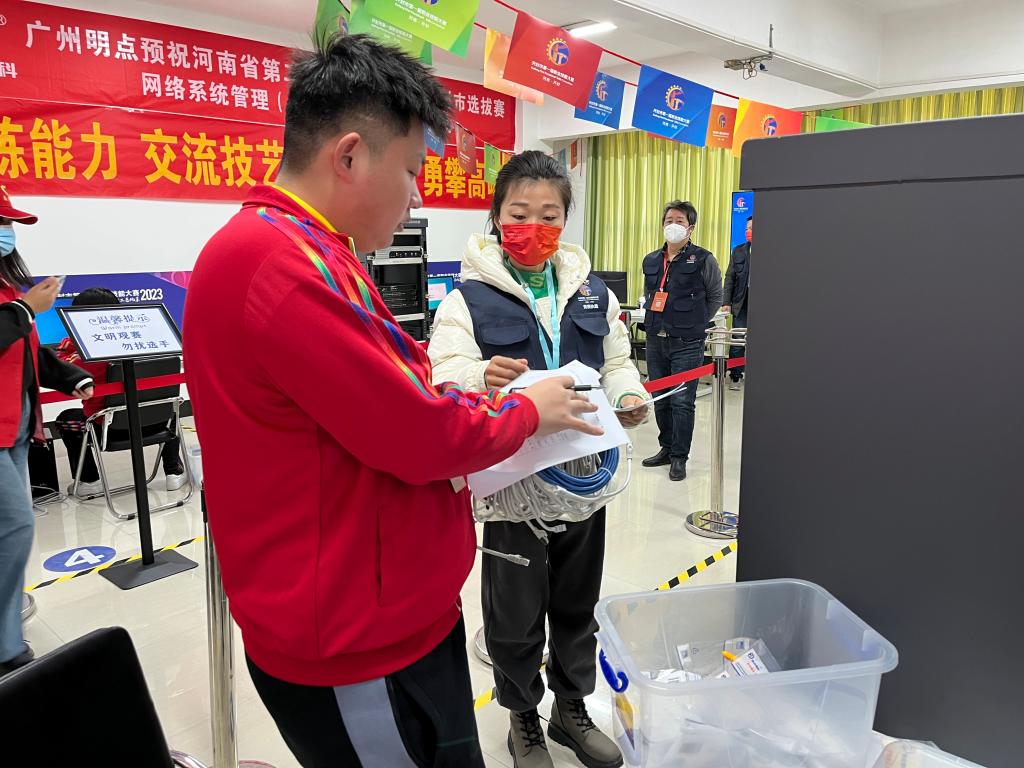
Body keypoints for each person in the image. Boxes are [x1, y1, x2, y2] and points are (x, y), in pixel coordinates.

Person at [183, 34, 601, 768]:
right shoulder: (281, 267)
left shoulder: (314, 250)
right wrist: (527, 410)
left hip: (386, 608)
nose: (416, 197)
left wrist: (457, 390)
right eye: (410, 170)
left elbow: (379, 396)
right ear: (349, 156)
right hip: (354, 638)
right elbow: (416, 434)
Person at [429, 150, 648, 768]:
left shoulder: (593, 293)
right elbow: (444, 371)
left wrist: (628, 395)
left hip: (585, 477)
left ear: (565, 220)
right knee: (515, 613)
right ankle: (522, 718)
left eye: (549, 215)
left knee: (578, 605)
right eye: (519, 213)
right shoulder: (467, 300)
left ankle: (571, 710)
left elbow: (616, 361)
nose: (533, 227)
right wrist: (479, 374)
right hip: (512, 485)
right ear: (496, 217)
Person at [0, 189, 93, 676]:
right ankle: (4, 647)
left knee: (10, 530)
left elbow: (26, 351)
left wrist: (69, 377)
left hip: (14, 428)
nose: (7, 233)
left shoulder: (7, 289)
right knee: (16, 528)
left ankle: (6, 625)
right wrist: (25, 310)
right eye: (1, 223)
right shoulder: (17, 304)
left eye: (8, 224)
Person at [55, 288, 186, 496]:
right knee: (168, 409)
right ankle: (174, 471)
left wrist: (71, 346)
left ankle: (89, 481)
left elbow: (58, 369)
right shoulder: (153, 346)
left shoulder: (87, 356)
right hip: (158, 424)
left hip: (110, 430)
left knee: (65, 418)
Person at [641, 200, 723, 481]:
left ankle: (679, 457)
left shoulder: (703, 259)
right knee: (660, 398)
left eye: (679, 221)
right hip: (656, 338)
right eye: (668, 221)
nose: (672, 226)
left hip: (687, 341)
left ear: (691, 228)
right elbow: (650, 294)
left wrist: (695, 321)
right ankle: (666, 448)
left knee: (682, 401)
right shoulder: (651, 260)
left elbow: (715, 297)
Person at [722, 216, 751, 390]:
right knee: (738, 339)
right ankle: (735, 375)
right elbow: (730, 278)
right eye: (747, 228)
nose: (748, 231)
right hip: (742, 302)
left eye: (752, 228)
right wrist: (726, 302)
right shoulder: (739, 251)